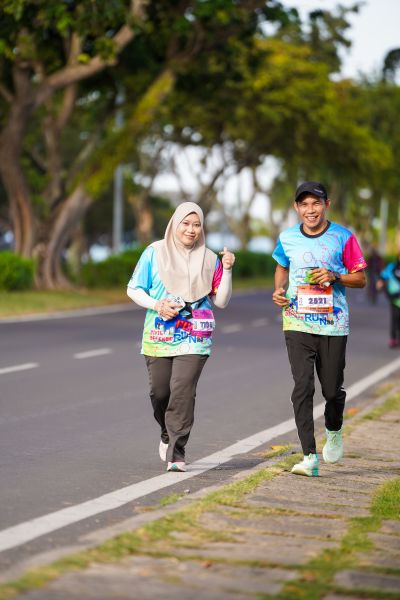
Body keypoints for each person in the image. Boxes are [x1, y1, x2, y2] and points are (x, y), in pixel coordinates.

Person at [127, 202, 235, 472]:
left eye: (197, 225)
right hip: (159, 335)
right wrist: (157, 305)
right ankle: (166, 432)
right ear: (175, 224)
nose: (191, 229)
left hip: (195, 336)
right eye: (185, 223)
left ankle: (177, 452)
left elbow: (221, 301)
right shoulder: (155, 252)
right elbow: (133, 289)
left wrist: (227, 269)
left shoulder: (210, 259)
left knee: (182, 390)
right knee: (160, 392)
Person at [272, 181, 367, 477]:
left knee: (331, 390)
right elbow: (282, 265)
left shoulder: (343, 237)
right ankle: (309, 456)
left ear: (327, 204)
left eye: (316, 203)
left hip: (333, 324)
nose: (310, 210)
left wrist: (335, 276)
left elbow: (360, 278)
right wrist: (279, 289)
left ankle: (334, 429)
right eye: (304, 204)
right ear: (296, 207)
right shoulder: (287, 237)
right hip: (296, 320)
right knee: (303, 387)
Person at [376, 251, 400, 348]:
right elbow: (383, 276)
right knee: (395, 318)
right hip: (394, 297)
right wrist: (380, 282)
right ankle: (393, 338)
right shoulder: (392, 267)